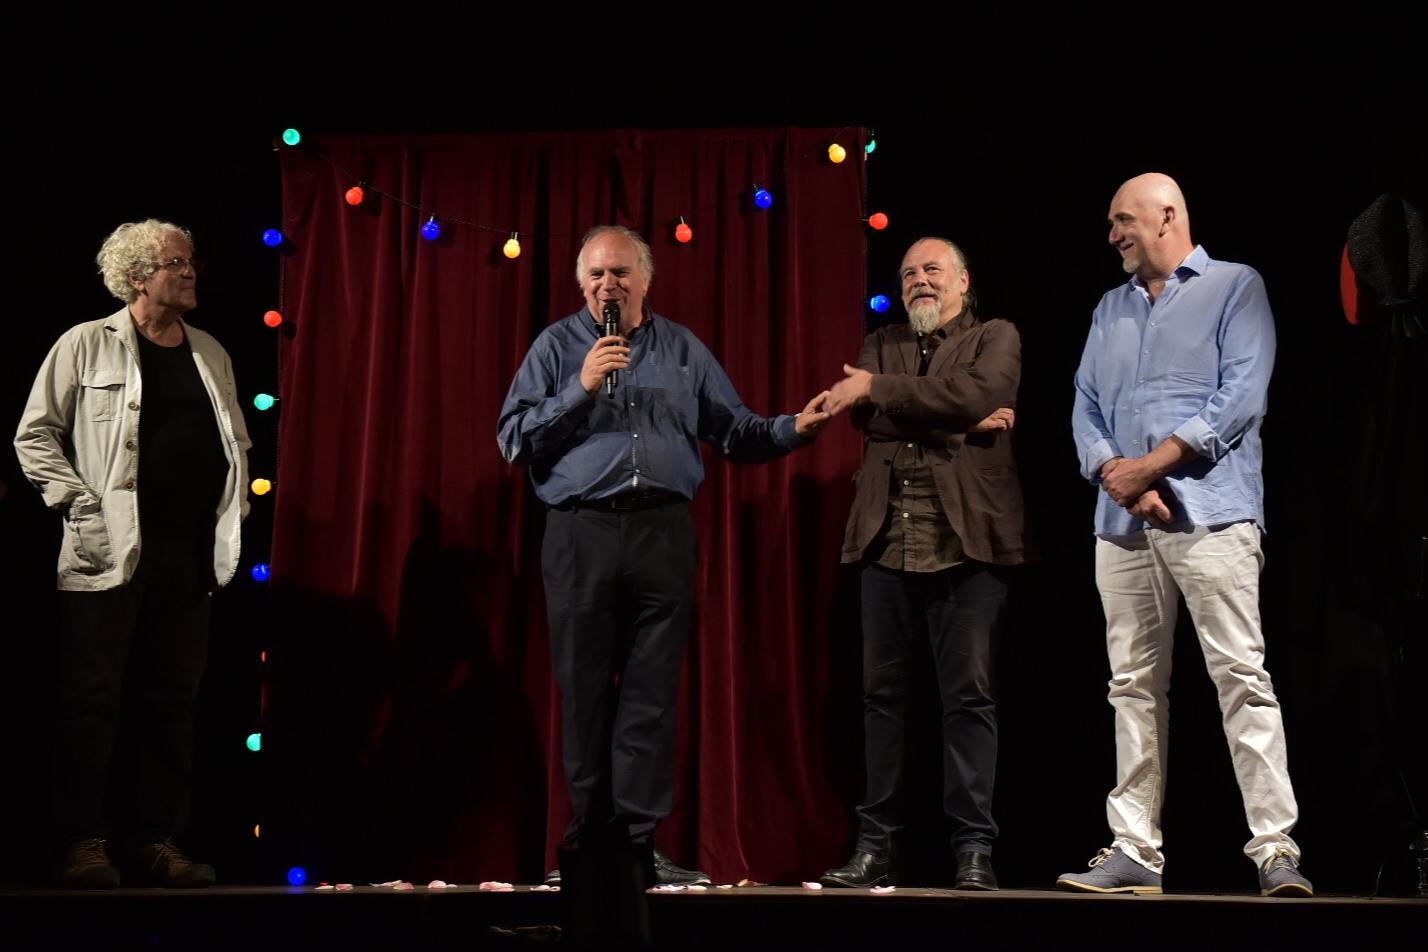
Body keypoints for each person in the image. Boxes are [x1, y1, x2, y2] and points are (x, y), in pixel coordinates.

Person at [497, 225, 831, 887]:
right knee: (584, 695)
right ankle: (586, 846)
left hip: (663, 533)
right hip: (581, 533)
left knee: (650, 698)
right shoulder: (556, 348)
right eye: (596, 275)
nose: (608, 285)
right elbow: (513, 438)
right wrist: (581, 387)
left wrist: (796, 428)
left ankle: (636, 846)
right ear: (581, 284)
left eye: (620, 273)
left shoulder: (682, 349)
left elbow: (735, 429)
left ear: (645, 281)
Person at [1059, 173, 1312, 897]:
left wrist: (1152, 466)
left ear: (1167, 215)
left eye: (1123, 220)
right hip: (1123, 522)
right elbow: (1084, 406)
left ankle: (1275, 849)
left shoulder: (1235, 286)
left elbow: (1241, 397)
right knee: (1132, 686)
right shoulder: (1109, 307)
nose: (1113, 234)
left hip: (1212, 515)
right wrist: (1120, 475)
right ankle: (1136, 849)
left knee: (1240, 677)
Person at [15, 219, 251, 888]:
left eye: (191, 260)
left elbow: (235, 445)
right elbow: (35, 435)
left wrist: (232, 513)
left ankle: (155, 840)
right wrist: (79, 505)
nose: (191, 271)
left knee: (172, 703)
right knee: (92, 701)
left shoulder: (210, 351)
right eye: (176, 262)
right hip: (109, 552)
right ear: (139, 276)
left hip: (189, 556)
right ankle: (81, 842)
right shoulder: (86, 344)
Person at [819, 237, 1026, 890]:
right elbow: (868, 421)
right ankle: (876, 846)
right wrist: (960, 424)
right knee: (881, 701)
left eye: (932, 269)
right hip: (885, 542)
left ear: (963, 280)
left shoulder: (996, 335)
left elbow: (980, 391)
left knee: (968, 699)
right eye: (908, 273)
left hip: (968, 544)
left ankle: (973, 851)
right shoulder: (881, 341)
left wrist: (885, 393)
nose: (918, 281)